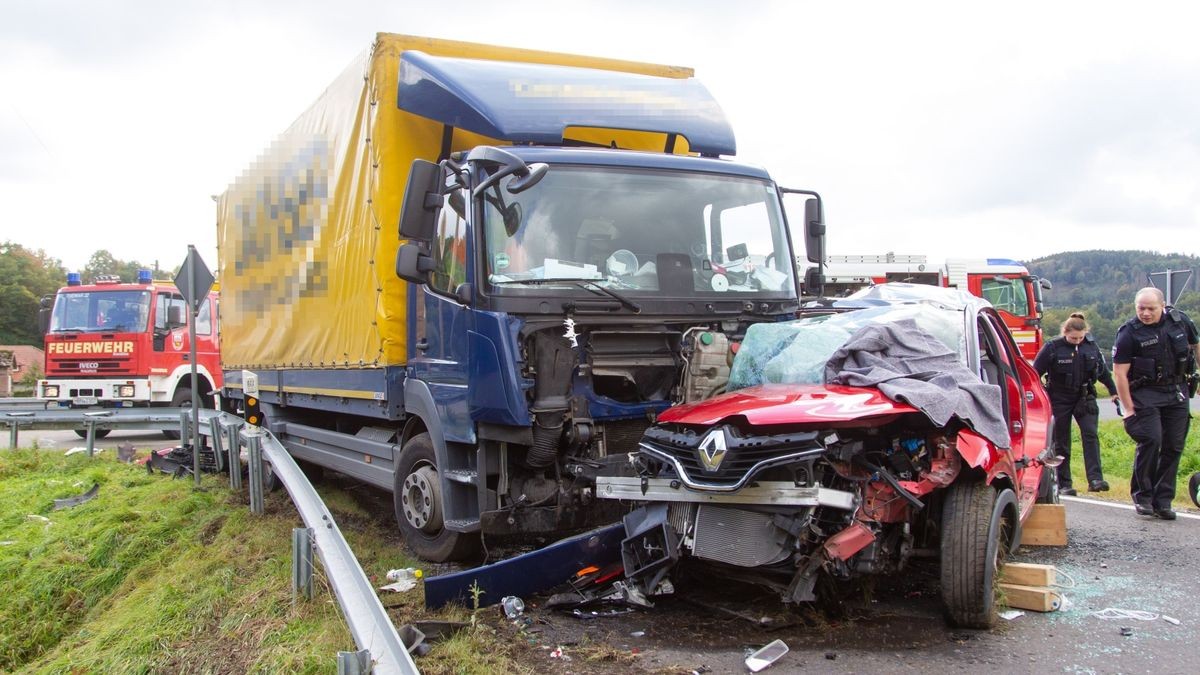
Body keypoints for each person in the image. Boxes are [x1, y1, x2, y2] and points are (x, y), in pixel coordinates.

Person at [1112, 287, 1200, 520]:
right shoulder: (1129, 332)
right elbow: (1119, 374)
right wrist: (1129, 409)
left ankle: (1163, 500)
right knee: (1152, 439)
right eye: (1141, 308)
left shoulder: (1181, 322)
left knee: (1174, 445)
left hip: (1176, 390)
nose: (1146, 313)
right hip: (1145, 392)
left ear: (1163, 306)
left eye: (1151, 308)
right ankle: (1143, 496)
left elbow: (1196, 346)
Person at [1033, 313, 1118, 495]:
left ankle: (1095, 479)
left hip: (1085, 397)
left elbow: (1103, 373)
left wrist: (1114, 391)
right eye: (1073, 338)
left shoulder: (1091, 347)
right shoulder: (1053, 347)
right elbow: (1034, 374)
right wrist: (1036, 395)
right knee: (1062, 441)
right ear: (1065, 333)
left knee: (1091, 436)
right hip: (1059, 397)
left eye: (1080, 338)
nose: (1077, 341)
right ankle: (1065, 483)